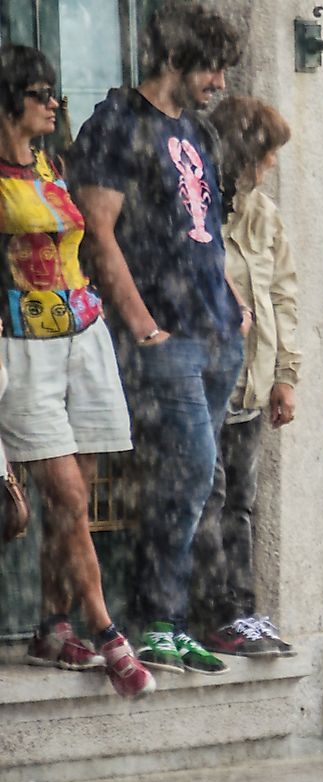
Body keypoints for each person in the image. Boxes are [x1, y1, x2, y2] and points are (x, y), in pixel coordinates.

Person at [67, 1, 246, 674]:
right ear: (175, 59)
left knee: (200, 481)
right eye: (212, 67)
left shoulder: (194, 130)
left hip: (215, 331)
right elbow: (98, 228)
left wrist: (235, 302)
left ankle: (171, 616)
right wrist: (141, 323)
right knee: (190, 469)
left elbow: (206, 231)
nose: (220, 82)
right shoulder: (116, 122)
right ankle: (154, 616)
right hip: (162, 336)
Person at [0, 45, 153, 698]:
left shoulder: (50, 164)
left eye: (54, 91)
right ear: (9, 99)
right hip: (22, 342)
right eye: (40, 92)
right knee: (65, 495)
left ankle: (52, 625)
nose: (53, 102)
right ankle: (108, 629)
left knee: (76, 501)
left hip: (82, 335)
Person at [190, 96, 300, 657]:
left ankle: (243, 606)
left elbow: (284, 295)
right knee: (206, 499)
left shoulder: (265, 214)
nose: (272, 165)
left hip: (252, 388)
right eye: (266, 154)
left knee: (241, 503)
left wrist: (287, 375)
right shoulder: (200, 213)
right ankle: (213, 610)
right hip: (206, 384)